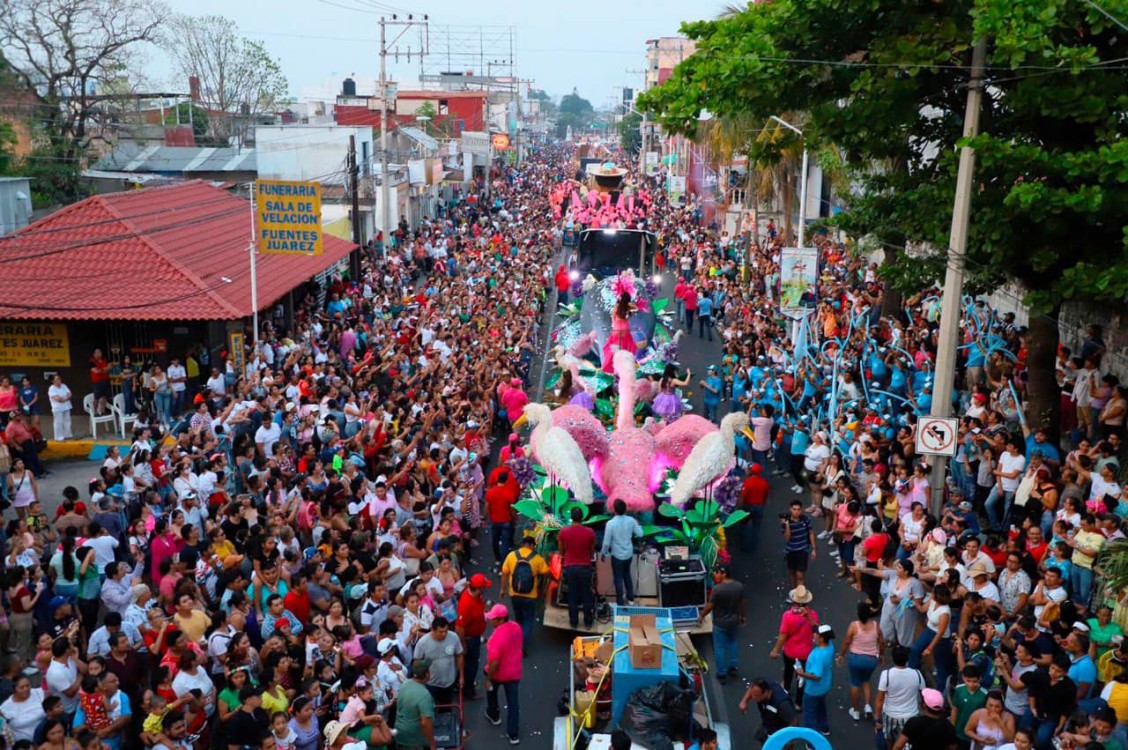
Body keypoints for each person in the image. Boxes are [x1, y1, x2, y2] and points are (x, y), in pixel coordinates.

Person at [770, 586, 820, 702]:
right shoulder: (813, 615)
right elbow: (817, 630)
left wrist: (775, 650)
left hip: (790, 651)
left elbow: (783, 635)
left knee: (788, 670)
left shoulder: (787, 616)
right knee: (801, 676)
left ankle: (786, 688)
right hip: (805, 652)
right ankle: (799, 702)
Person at [838, 601, 885, 721]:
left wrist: (841, 655)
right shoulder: (875, 625)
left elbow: (847, 642)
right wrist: (881, 655)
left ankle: (856, 710)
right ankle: (868, 706)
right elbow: (881, 641)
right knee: (866, 680)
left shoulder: (854, 626)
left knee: (854, 683)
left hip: (856, 659)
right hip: (871, 660)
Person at [699, 563, 745, 683]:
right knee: (732, 642)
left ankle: (721, 672)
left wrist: (701, 615)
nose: (716, 574)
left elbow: (710, 605)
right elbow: (742, 603)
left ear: (724, 573)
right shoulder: (738, 586)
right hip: (734, 621)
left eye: (718, 572)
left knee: (719, 647)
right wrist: (743, 616)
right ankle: (733, 666)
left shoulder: (717, 589)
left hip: (720, 623)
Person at [484, 604, 523, 745]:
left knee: (491, 693)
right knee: (513, 703)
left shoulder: (495, 639)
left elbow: (494, 663)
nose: (490, 621)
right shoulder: (516, 627)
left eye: (493, 619)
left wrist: (488, 679)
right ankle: (513, 734)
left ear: (500, 620)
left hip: (497, 674)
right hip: (514, 673)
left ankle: (494, 715)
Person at [501, 535, 548, 647]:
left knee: (518, 619)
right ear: (532, 545)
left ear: (523, 544)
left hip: (514, 594)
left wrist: (502, 589)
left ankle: (516, 640)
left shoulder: (512, 556)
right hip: (530, 596)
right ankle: (523, 646)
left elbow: (504, 573)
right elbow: (546, 572)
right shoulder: (537, 558)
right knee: (528, 620)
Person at [557, 506, 596, 629]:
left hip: (570, 567)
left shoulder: (563, 532)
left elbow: (561, 551)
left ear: (571, 518)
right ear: (582, 518)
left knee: (572, 594)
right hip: (585, 567)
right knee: (586, 595)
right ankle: (588, 622)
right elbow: (592, 552)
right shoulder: (590, 532)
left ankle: (574, 622)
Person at [412, 616, 464, 706]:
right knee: (429, 709)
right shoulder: (422, 643)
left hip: (449, 682)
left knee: (446, 709)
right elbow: (417, 662)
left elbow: (459, 656)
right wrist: (420, 680)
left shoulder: (454, 637)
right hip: (430, 684)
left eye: (446, 631)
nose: (444, 634)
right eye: (441, 632)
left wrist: (461, 677)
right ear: (432, 629)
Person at [600, 499, 643, 606]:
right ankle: (631, 599)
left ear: (614, 510)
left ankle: (620, 602)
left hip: (617, 555)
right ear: (625, 509)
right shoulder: (631, 520)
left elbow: (606, 543)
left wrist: (603, 553)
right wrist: (637, 524)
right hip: (628, 554)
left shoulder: (610, 523)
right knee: (627, 575)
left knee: (618, 577)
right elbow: (641, 534)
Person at [796, 624, 835, 736]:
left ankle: (812, 740)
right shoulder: (830, 646)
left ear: (821, 638)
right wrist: (808, 617)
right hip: (825, 686)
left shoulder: (818, 655)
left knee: (809, 715)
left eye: (816, 635)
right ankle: (824, 728)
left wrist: (801, 673)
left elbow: (817, 676)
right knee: (821, 707)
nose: (813, 636)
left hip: (813, 690)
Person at [738, 678, 798, 744]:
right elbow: (752, 687)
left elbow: (793, 722)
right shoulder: (764, 684)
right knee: (760, 736)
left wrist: (788, 741)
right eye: (752, 695)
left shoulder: (782, 704)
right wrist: (744, 701)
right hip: (768, 723)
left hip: (779, 731)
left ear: (766, 692)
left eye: (756, 696)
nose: (753, 698)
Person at [395, 660, 436, 750]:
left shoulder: (405, 684)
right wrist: (432, 743)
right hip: (415, 740)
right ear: (426, 675)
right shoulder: (424, 695)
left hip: (400, 733)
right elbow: (425, 723)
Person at [782, 499, 817, 588]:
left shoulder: (806, 519)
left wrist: (814, 549)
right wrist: (787, 525)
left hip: (802, 550)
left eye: (798, 509)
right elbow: (787, 537)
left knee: (800, 575)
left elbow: (811, 533)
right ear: (790, 509)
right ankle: (793, 592)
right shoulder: (786, 521)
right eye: (794, 509)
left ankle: (800, 594)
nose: (796, 512)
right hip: (790, 550)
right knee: (792, 573)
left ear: (801, 510)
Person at [47, 374, 73, 442]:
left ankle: (67, 435)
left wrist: (65, 398)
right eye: (57, 379)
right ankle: (59, 437)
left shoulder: (64, 386)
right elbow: (58, 399)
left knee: (67, 421)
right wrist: (65, 398)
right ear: (53, 381)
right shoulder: (51, 389)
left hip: (66, 406)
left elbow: (70, 394)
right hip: (57, 408)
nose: (59, 381)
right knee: (58, 422)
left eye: (59, 379)